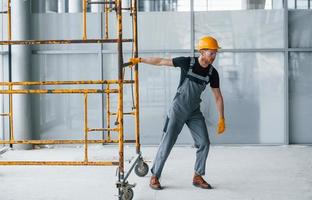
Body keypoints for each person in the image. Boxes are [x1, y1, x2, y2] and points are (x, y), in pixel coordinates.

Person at [129, 36, 226, 190]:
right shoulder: (188, 62)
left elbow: (218, 97)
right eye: (211, 53)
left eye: (215, 53)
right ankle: (155, 176)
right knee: (167, 142)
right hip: (178, 109)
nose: (214, 56)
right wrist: (140, 60)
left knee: (204, 143)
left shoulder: (212, 73)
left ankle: (198, 176)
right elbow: (161, 61)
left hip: (194, 111)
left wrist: (221, 118)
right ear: (202, 52)